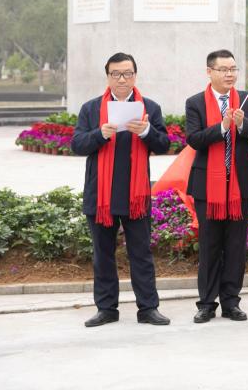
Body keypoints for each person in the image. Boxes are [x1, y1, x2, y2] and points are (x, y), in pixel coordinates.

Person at [70, 52, 171, 327]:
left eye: (127, 73)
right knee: (103, 255)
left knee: (141, 254)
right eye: (116, 74)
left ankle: (148, 308)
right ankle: (106, 309)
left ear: (135, 75)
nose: (122, 79)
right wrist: (100, 134)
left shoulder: (150, 107)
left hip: (136, 196)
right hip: (101, 196)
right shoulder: (91, 109)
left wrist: (147, 131)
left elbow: (164, 144)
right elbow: (77, 145)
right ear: (108, 76)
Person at [183, 49, 248, 323]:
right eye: (223, 69)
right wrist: (222, 127)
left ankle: (231, 302)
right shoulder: (195, 103)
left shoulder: (246, 99)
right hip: (208, 186)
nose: (229, 74)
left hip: (241, 184)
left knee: (235, 245)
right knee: (209, 245)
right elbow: (194, 139)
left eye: (233, 69)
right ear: (210, 72)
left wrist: (242, 124)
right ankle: (207, 304)